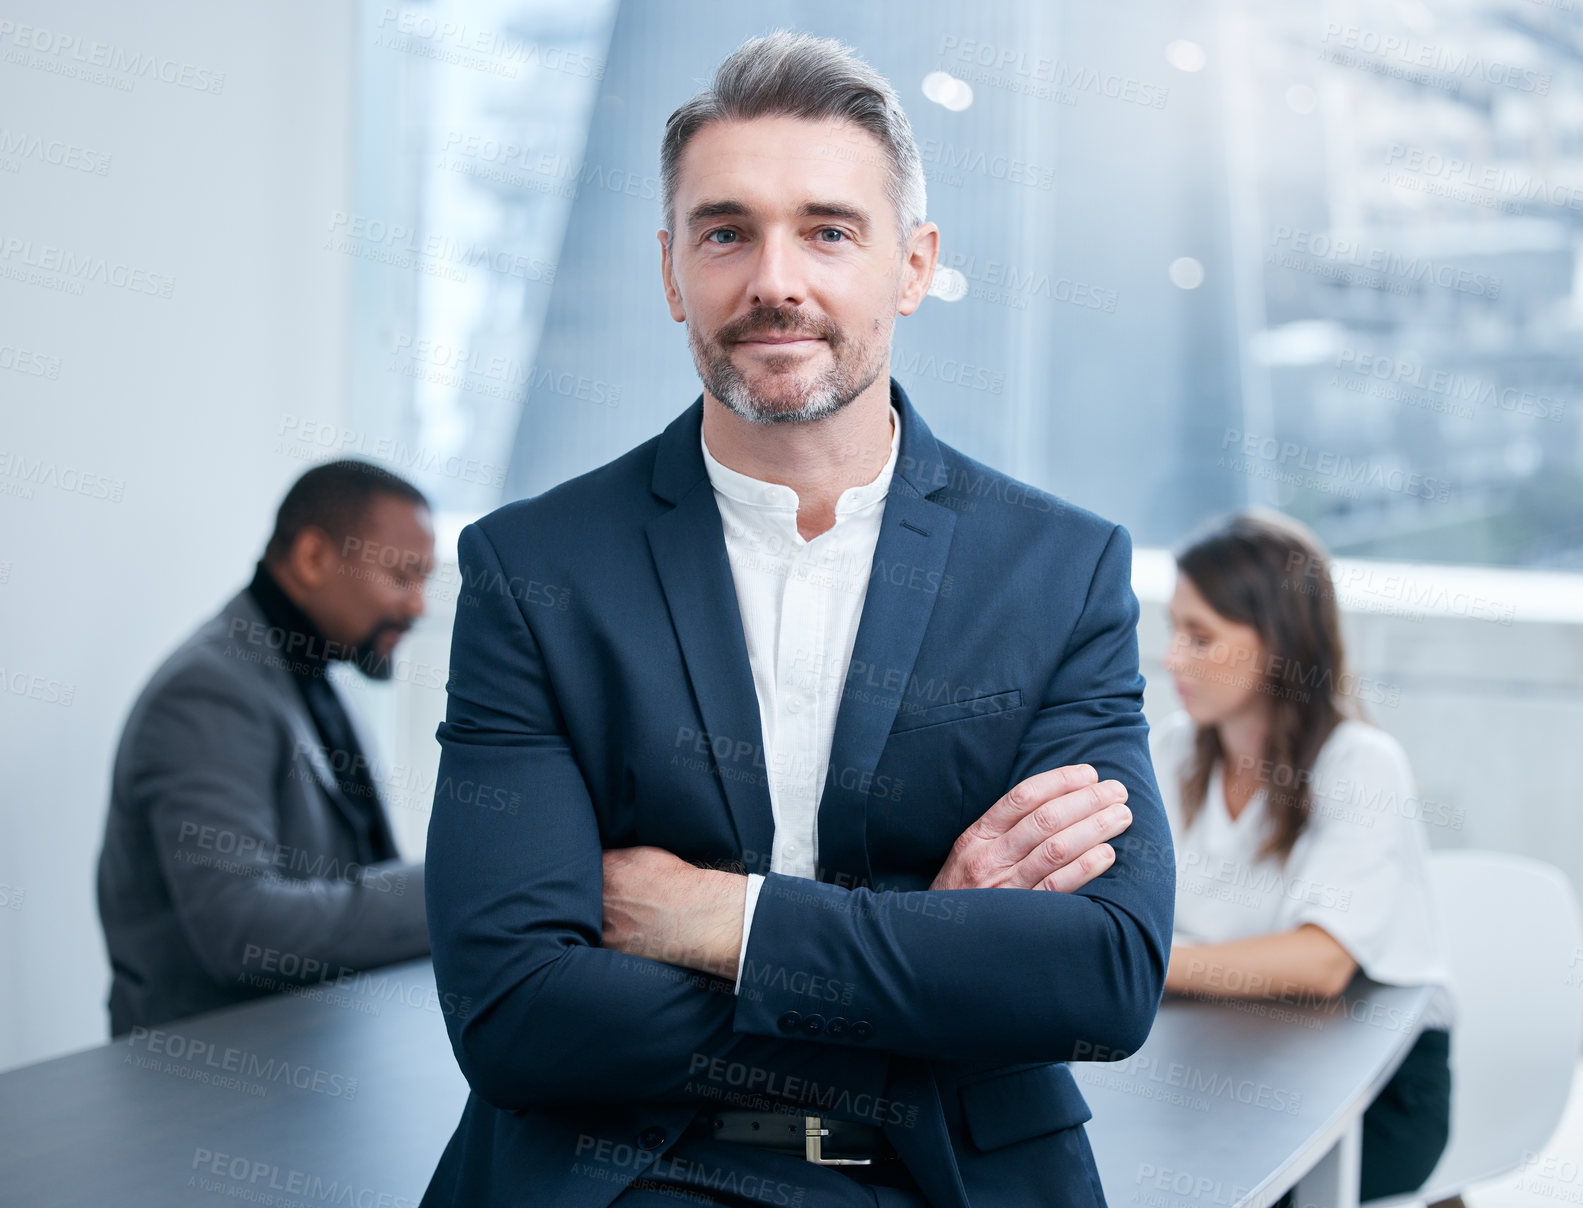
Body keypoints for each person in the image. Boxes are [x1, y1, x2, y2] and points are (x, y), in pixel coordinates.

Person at [420, 30, 1175, 1208]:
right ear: (673, 271)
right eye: (727, 232)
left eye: (829, 230)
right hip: (627, 1172)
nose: (777, 279)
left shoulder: (1059, 571)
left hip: (949, 1177)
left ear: (912, 266)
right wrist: (933, 947)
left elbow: (1105, 976)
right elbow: (513, 1010)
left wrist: (726, 916)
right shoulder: (534, 571)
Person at [1148, 508, 1455, 1202]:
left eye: (1199, 637)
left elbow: (1320, 963)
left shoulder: (1359, 763)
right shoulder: (1169, 751)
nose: (1171, 658)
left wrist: (1144, 964)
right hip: (1219, 1046)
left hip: (1375, 1083)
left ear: (1278, 645)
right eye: (1174, 632)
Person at [96, 458, 435, 1034]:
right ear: (313, 559)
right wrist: (459, 887)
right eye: (403, 576)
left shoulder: (312, 671)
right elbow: (243, 930)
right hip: (201, 1092)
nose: (418, 605)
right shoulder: (206, 694)